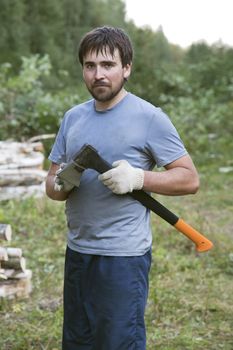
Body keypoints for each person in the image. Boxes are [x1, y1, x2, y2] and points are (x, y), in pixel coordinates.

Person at [46, 26, 199, 350]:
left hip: (122, 258)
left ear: (126, 68)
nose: (98, 74)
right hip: (78, 252)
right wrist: (62, 182)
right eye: (90, 66)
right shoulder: (73, 118)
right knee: (77, 341)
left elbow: (189, 178)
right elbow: (52, 185)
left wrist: (140, 179)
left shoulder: (149, 117)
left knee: (117, 343)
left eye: (107, 65)